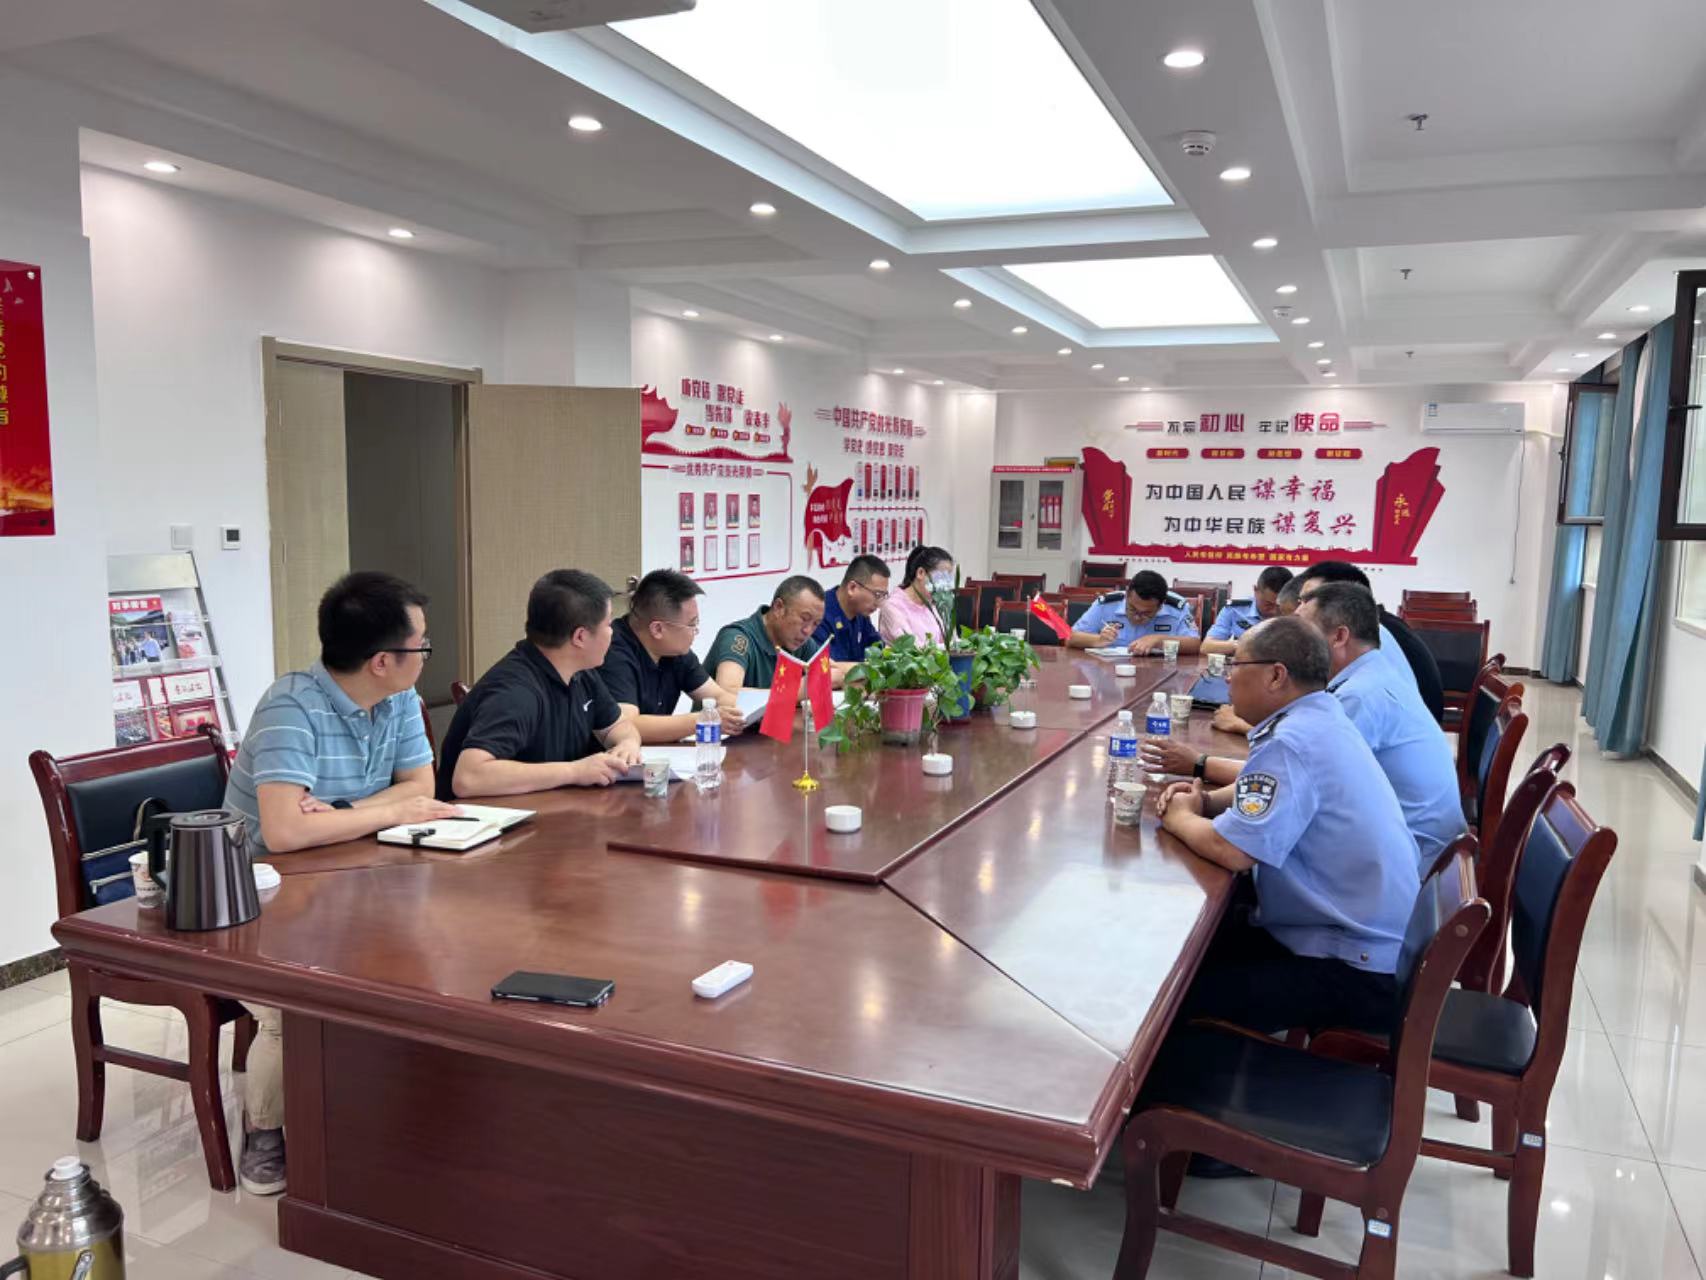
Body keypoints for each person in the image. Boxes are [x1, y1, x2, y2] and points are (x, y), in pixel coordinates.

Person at [223, 570, 461, 1197]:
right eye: (421, 645)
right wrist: (383, 811)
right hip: (257, 899)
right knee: (291, 1006)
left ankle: (377, 1105)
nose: (426, 655)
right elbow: (282, 832)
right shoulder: (290, 707)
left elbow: (421, 787)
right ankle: (265, 1128)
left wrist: (340, 813)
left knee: (425, 962)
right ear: (382, 660)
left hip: (350, 875)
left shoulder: (399, 698)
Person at [1152, 617, 1420, 1039]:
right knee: (1188, 947)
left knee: (1169, 998)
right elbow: (1272, 791)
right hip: (1369, 942)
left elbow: (1233, 851)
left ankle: (1185, 1077)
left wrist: (1180, 818)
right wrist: (1206, 801)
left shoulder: (1291, 741)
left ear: (1276, 675)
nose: (1226, 678)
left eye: (1236, 665)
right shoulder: (1318, 718)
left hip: (1353, 970)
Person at [1298, 583, 1466, 875]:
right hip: (1426, 850)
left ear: (1339, 636)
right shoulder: (1374, 671)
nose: (1294, 643)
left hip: (1413, 864)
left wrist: (1209, 771)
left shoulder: (1359, 696)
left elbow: (1301, 785)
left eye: (1303, 633)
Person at [437, 569, 644, 799]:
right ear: (580, 637)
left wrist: (627, 744)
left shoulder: (582, 674)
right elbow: (469, 778)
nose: (612, 633)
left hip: (551, 808)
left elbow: (616, 726)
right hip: (488, 817)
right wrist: (574, 771)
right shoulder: (515, 692)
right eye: (608, 624)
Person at [600, 569, 746, 745]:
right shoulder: (613, 652)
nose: (696, 631)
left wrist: (756, 711)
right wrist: (704, 720)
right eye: (692, 624)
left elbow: (717, 697)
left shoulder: (675, 652)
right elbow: (626, 726)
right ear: (658, 629)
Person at [1292, 561, 1445, 722]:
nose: (1299, 610)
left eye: (1310, 599)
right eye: (1301, 600)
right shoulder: (1378, 630)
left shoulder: (1372, 638)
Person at [707, 576, 826, 690]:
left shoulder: (801, 642)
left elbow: (829, 672)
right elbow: (728, 692)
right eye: (804, 619)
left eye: (816, 624)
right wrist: (795, 691)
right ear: (779, 608)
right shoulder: (737, 637)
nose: (808, 631)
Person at [1067, 570, 1201, 654]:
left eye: (1146, 613)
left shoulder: (1176, 607)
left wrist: (1158, 640)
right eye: (1132, 609)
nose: (1137, 617)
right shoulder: (1106, 604)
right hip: (1112, 673)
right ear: (1127, 595)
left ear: (1161, 605)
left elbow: (1195, 645)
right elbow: (1069, 638)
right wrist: (1098, 640)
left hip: (1160, 674)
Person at [815, 554, 889, 672]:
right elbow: (828, 668)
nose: (879, 603)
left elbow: (880, 651)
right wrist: (872, 667)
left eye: (883, 596)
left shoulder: (861, 613)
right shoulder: (819, 615)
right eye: (877, 595)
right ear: (852, 588)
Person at [1200, 566, 1293, 655]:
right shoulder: (1236, 609)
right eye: (1268, 604)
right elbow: (1207, 646)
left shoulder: (1295, 611)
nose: (1273, 611)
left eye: (1279, 606)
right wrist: (1241, 645)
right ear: (1256, 590)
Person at [880, 545, 954, 645]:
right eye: (941, 577)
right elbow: (913, 647)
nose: (945, 585)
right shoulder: (892, 606)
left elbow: (950, 642)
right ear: (920, 573)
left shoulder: (934, 604)